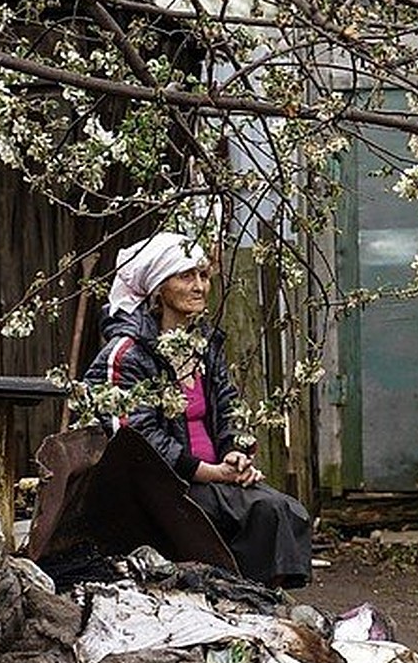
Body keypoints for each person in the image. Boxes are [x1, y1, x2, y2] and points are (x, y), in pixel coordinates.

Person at [83, 232, 312, 588]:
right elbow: (138, 439)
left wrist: (235, 453)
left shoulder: (203, 346)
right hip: (163, 487)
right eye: (186, 276)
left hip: (213, 476)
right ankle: (242, 598)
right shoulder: (127, 353)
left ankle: (258, 601)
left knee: (283, 510)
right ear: (159, 288)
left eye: (204, 276)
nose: (200, 286)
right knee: (261, 513)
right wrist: (211, 472)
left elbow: (228, 405)